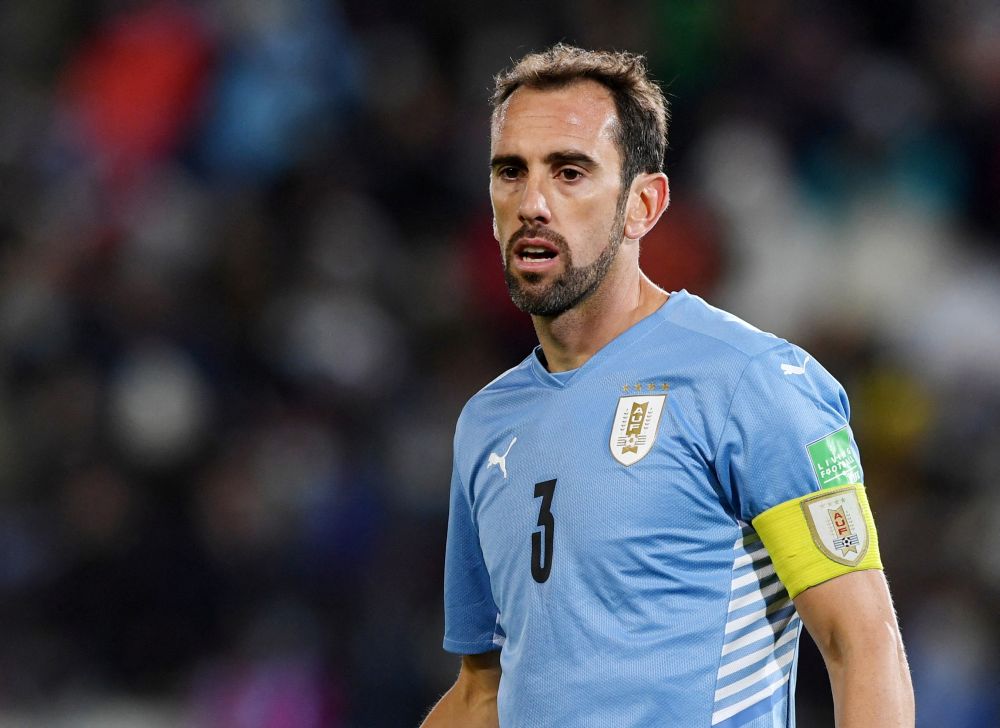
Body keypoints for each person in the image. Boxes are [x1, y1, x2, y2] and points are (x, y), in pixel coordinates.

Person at [421, 44, 914, 727]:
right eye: (511, 172)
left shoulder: (748, 383)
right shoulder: (486, 423)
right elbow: (483, 692)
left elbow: (860, 644)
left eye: (569, 172)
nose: (532, 202)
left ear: (643, 205)